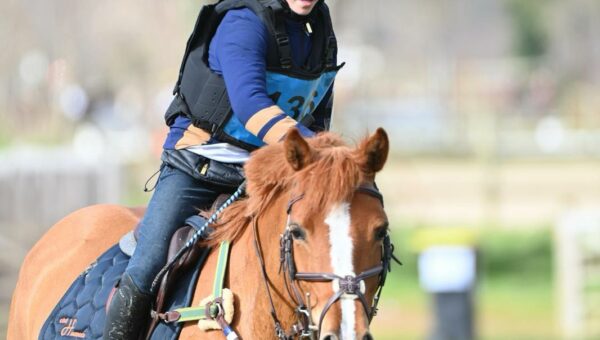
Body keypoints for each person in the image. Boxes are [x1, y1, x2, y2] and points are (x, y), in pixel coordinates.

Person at [104, 0, 341, 338]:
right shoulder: (244, 22)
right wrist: (320, 149)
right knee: (147, 267)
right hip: (199, 164)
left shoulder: (320, 29)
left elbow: (317, 116)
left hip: (266, 170)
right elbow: (250, 104)